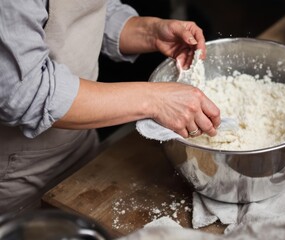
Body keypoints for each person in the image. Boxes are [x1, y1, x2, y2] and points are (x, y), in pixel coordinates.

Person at [0, 0, 221, 214]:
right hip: (17, 170)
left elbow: (84, 13)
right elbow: (23, 92)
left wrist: (150, 31)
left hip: (80, 140)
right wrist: (156, 100)